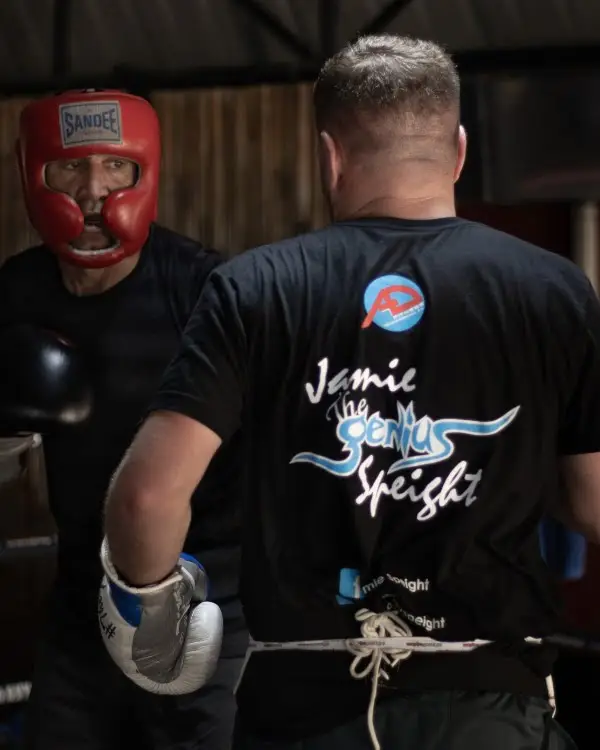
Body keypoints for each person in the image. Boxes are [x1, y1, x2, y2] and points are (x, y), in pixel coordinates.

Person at [97, 35, 594, 750]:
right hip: (493, 704)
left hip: (304, 712)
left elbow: (146, 498)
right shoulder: (552, 289)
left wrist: (151, 611)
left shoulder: (255, 288)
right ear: (457, 150)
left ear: (328, 155)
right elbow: (593, 499)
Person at [0, 89, 246, 750]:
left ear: (148, 173)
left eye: (116, 168)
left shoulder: (205, 291)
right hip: (83, 588)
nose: (92, 191)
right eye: (70, 169)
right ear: (31, 171)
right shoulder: (16, 295)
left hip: (208, 589)